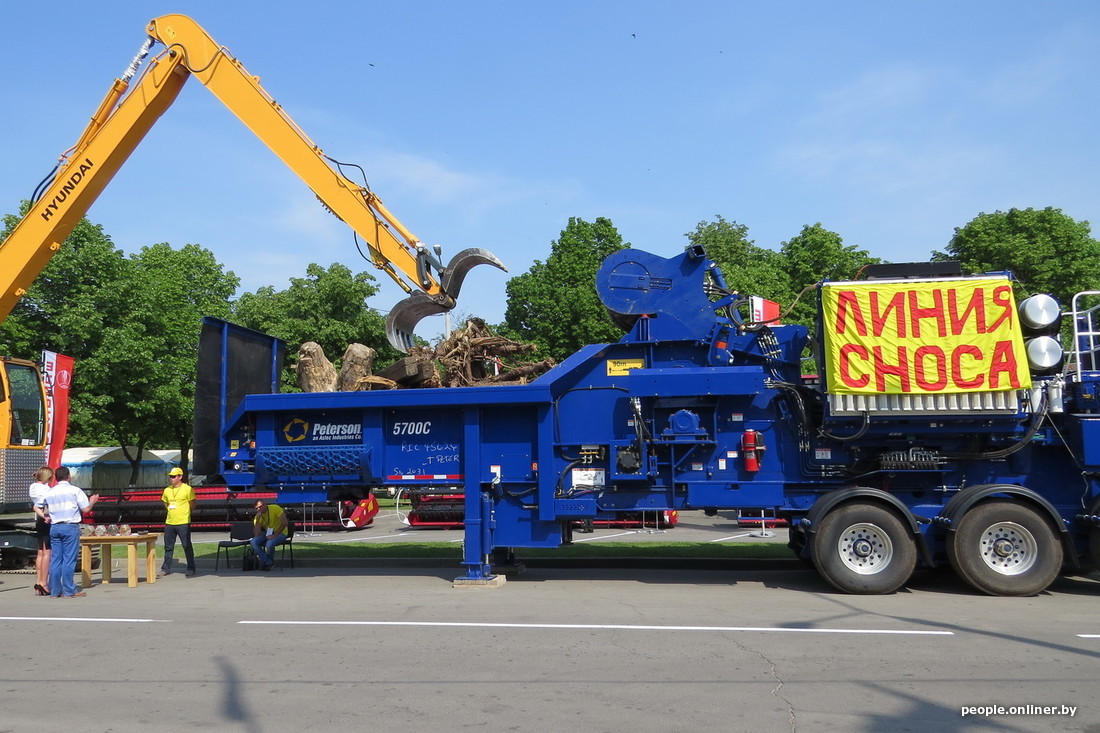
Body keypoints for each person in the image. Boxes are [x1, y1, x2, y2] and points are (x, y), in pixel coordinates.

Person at [34, 466, 97, 598]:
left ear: (55, 477)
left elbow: (38, 505)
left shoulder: (50, 492)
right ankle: (69, 590)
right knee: (69, 559)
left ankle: (55, 590)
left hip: (55, 527)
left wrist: (46, 516)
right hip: (70, 526)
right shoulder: (75, 490)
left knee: (56, 559)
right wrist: (92, 502)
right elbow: (85, 509)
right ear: (69, 476)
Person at [159, 467, 196, 577]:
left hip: (183, 522)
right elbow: (165, 503)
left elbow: (193, 503)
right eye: (170, 476)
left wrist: (186, 513)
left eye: (174, 476)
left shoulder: (187, 489)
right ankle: (166, 568)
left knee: (186, 545)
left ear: (180, 477)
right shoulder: (167, 490)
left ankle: (191, 567)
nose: (171, 478)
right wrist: (171, 510)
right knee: (168, 547)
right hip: (170, 522)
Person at [28, 466, 54, 596]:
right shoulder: (45, 489)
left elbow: (34, 506)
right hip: (46, 517)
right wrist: (45, 516)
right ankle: (44, 582)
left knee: (40, 552)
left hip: (39, 520)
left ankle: (38, 581)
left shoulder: (33, 487)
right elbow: (39, 505)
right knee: (47, 552)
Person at [250, 498, 288, 571]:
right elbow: (257, 534)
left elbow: (285, 523)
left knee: (269, 544)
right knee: (254, 542)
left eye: (260, 507)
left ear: (264, 505)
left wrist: (275, 535)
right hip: (268, 532)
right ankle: (268, 562)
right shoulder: (258, 516)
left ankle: (267, 564)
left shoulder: (275, 508)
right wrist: (257, 520)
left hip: (281, 532)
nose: (258, 509)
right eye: (257, 508)